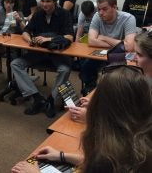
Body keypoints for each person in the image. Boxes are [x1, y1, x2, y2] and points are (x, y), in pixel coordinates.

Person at [12, 65, 152, 173]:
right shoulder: (140, 138)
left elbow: (101, 164)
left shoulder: (105, 158)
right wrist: (62, 156)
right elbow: (102, 162)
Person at [10, 0, 74, 117]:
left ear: (55, 1)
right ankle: (38, 98)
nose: (44, 4)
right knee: (15, 63)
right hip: (39, 53)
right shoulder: (38, 14)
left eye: (48, 1)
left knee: (65, 70)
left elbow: (69, 37)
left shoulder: (64, 14)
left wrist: (49, 38)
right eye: (42, 1)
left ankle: (50, 100)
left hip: (57, 54)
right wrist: (30, 40)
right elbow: (26, 31)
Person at [80, 0, 137, 95]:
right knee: (85, 67)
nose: (101, 13)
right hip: (101, 54)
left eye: (105, 9)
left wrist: (104, 38)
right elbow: (91, 41)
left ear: (114, 7)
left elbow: (129, 46)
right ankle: (90, 92)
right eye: (99, 9)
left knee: (112, 76)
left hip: (119, 56)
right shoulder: (97, 16)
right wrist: (119, 43)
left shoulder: (128, 18)